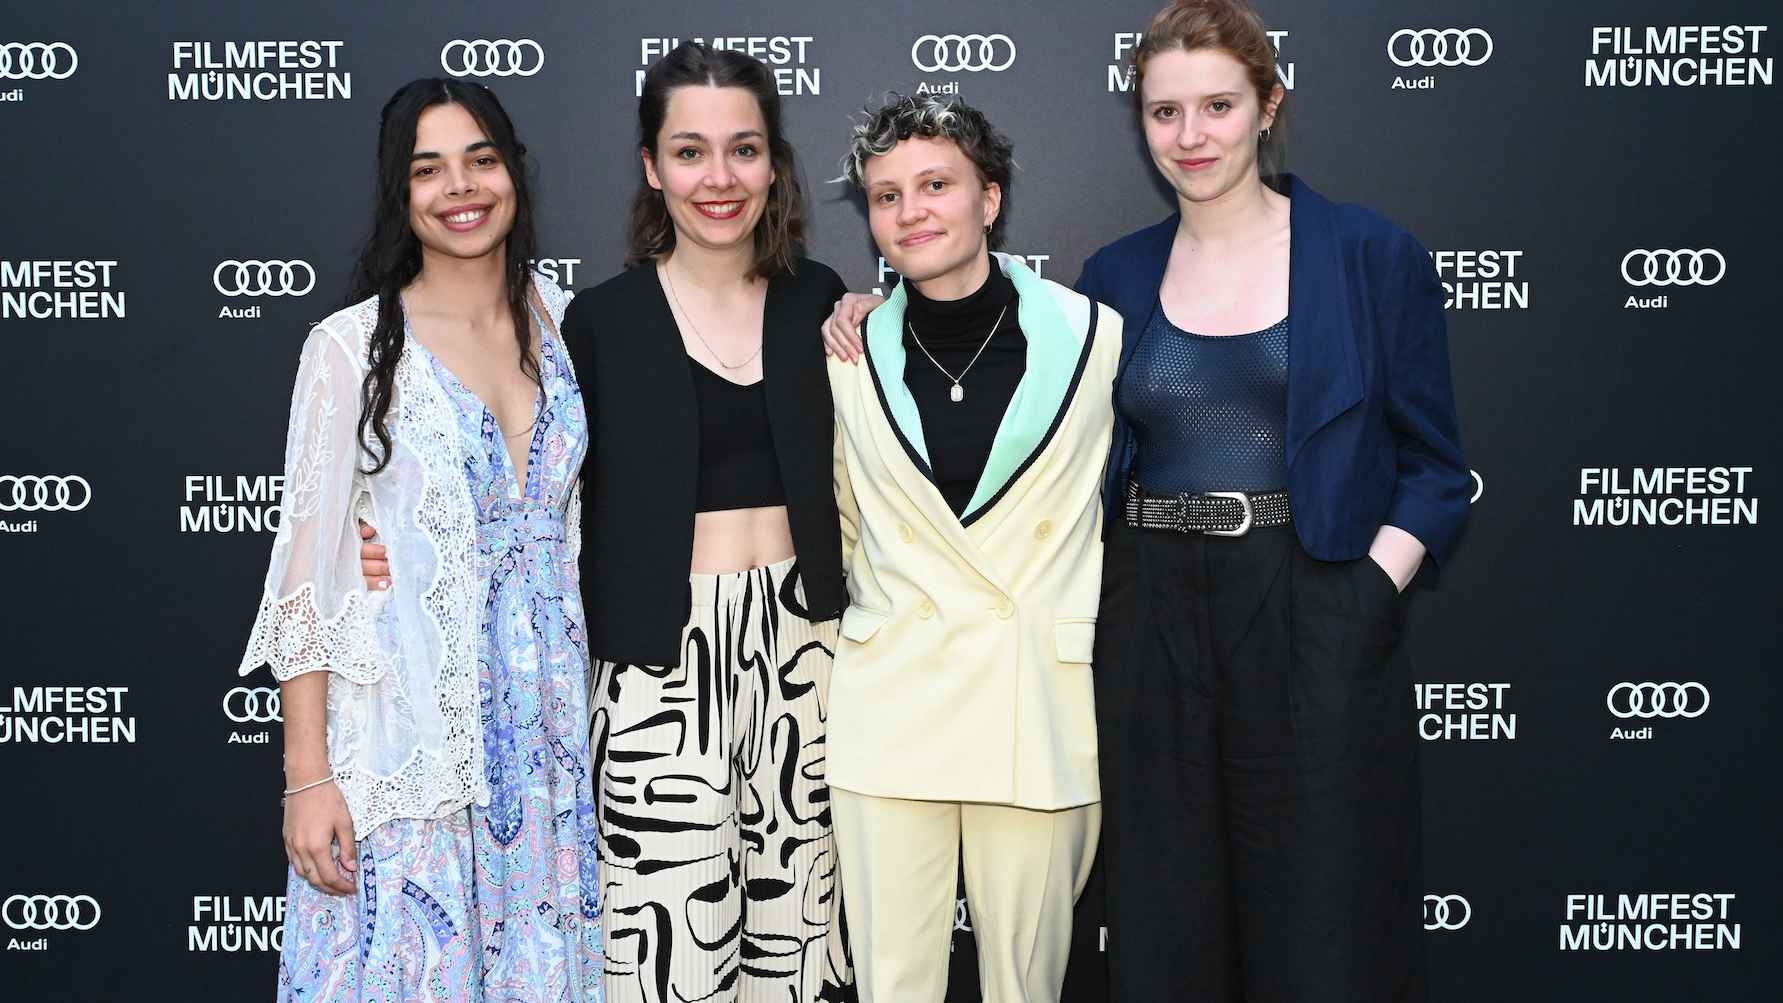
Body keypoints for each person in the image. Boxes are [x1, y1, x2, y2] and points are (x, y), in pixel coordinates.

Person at [363, 43, 854, 1003]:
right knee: (662, 961)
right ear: (650, 166)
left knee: (805, 953)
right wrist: (378, 540)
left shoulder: (827, 303)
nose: (718, 178)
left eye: (743, 150)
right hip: (651, 670)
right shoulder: (591, 323)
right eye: (690, 151)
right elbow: (510, 474)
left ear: (774, 165)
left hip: (817, 663)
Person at [239, 78, 602, 1001]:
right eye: (428, 169)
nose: (460, 188)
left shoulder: (569, 322)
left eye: (480, 159)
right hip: (417, 745)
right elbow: (308, 582)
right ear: (399, 194)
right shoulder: (350, 349)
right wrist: (306, 777)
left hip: (560, 744)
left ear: (513, 172)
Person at [824, 92, 1120, 1003]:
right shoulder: (844, 349)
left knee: (1025, 983)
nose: (909, 211)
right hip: (891, 705)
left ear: (989, 199)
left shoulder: (1094, 334)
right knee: (891, 983)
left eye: (935, 185)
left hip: (1034, 699)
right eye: (885, 195)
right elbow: (840, 520)